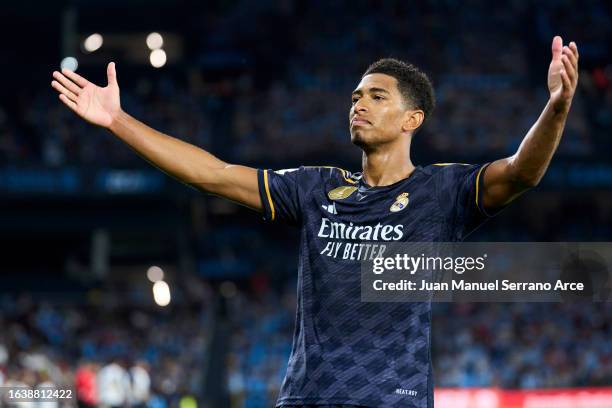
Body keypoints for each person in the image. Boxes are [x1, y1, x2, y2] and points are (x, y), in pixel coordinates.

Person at [51, 36, 579, 408]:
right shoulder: (315, 187)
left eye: (376, 96)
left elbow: (519, 174)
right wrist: (118, 121)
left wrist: (556, 108)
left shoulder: (441, 192)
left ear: (412, 119)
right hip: (305, 397)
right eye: (354, 97)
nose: (359, 105)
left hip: (390, 401)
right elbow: (212, 174)